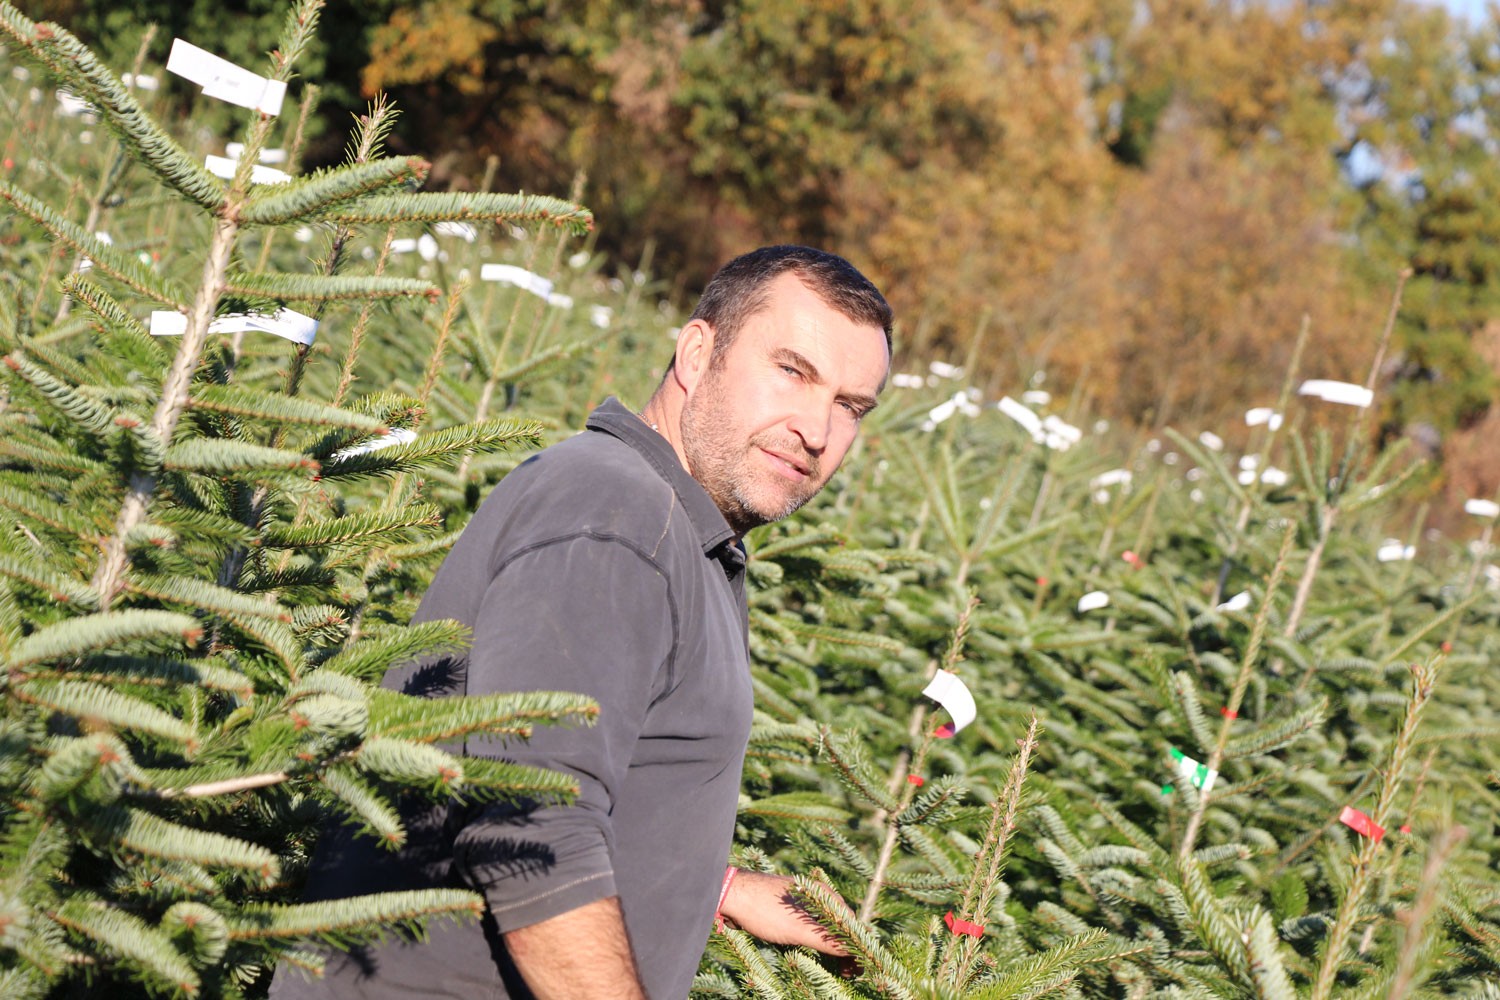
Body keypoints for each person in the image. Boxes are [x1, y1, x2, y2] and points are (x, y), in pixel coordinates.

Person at [269, 245, 893, 999]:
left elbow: (575, 771)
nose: (818, 431)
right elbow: (527, 824)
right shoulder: (619, 519)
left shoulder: (681, 528)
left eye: (850, 406)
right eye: (792, 372)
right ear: (699, 352)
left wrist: (717, 887)